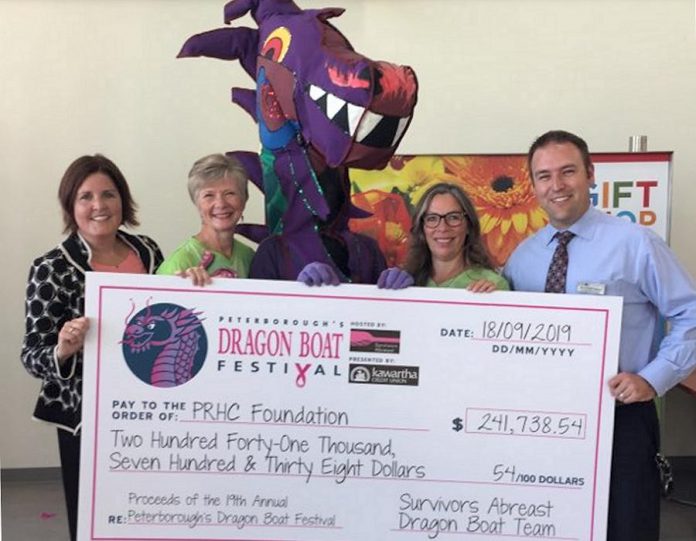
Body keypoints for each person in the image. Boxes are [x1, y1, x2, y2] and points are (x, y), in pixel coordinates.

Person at [503, 130, 696, 541]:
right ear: (533, 186)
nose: (557, 185)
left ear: (591, 175)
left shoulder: (635, 244)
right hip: (540, 419)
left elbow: (690, 314)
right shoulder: (523, 257)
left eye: (568, 171)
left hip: (620, 415)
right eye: (544, 176)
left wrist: (652, 378)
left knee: (625, 526)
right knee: (545, 522)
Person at [21, 154, 163, 541]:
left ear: (123, 200)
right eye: (86, 197)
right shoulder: (51, 267)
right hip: (88, 416)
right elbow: (32, 354)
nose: (99, 206)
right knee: (92, 517)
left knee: (148, 509)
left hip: (150, 407)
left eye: (108, 194)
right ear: (71, 205)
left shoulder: (148, 252)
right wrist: (63, 347)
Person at [157, 153, 255, 285]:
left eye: (230, 193)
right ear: (196, 203)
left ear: (244, 199)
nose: (220, 204)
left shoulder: (248, 256)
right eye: (209, 195)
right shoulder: (180, 262)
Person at [405, 182, 508, 291]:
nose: (443, 228)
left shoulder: (493, 285)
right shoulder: (407, 282)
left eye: (453, 217)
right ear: (422, 228)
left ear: (469, 225)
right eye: (432, 218)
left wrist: (495, 297)